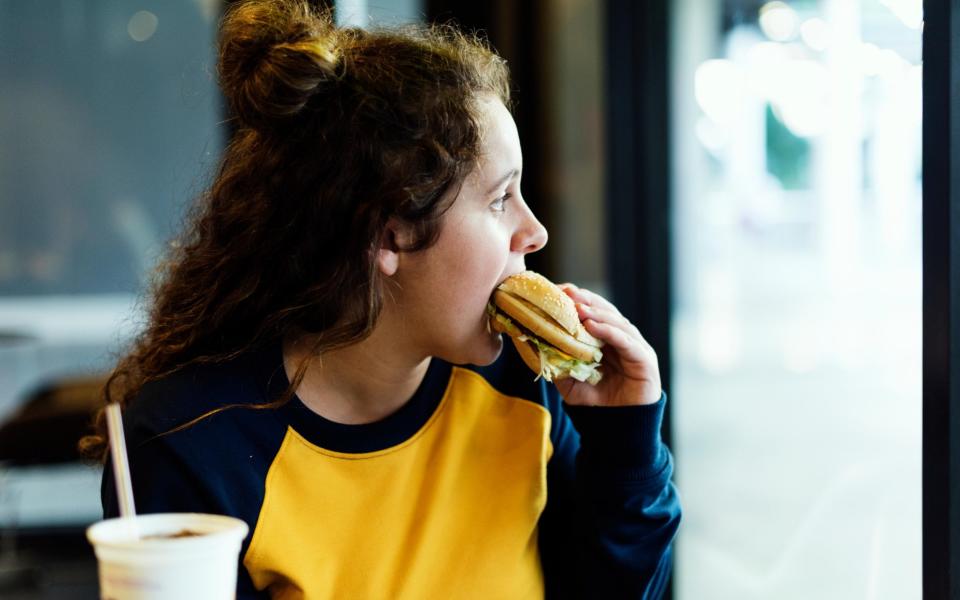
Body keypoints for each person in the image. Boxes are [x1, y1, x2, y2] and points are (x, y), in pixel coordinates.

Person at [81, 0, 681, 597]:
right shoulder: (191, 443)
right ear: (389, 233)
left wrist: (626, 445)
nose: (535, 231)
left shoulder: (526, 390)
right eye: (501, 200)